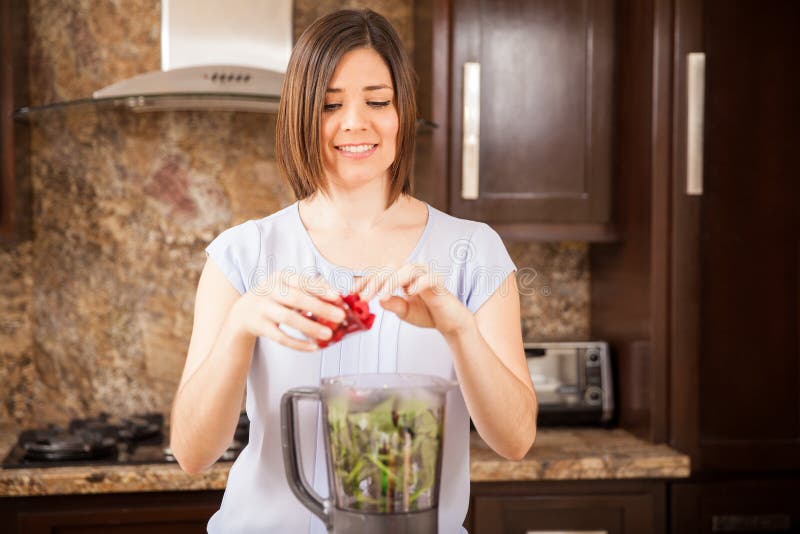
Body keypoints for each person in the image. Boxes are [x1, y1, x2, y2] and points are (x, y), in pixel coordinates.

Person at [170, 8, 537, 534]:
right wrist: (239, 326)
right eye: (330, 105)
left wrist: (458, 328)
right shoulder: (244, 254)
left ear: (402, 110)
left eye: (378, 101)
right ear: (301, 114)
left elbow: (516, 440)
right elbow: (191, 454)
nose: (356, 123)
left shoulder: (471, 251)